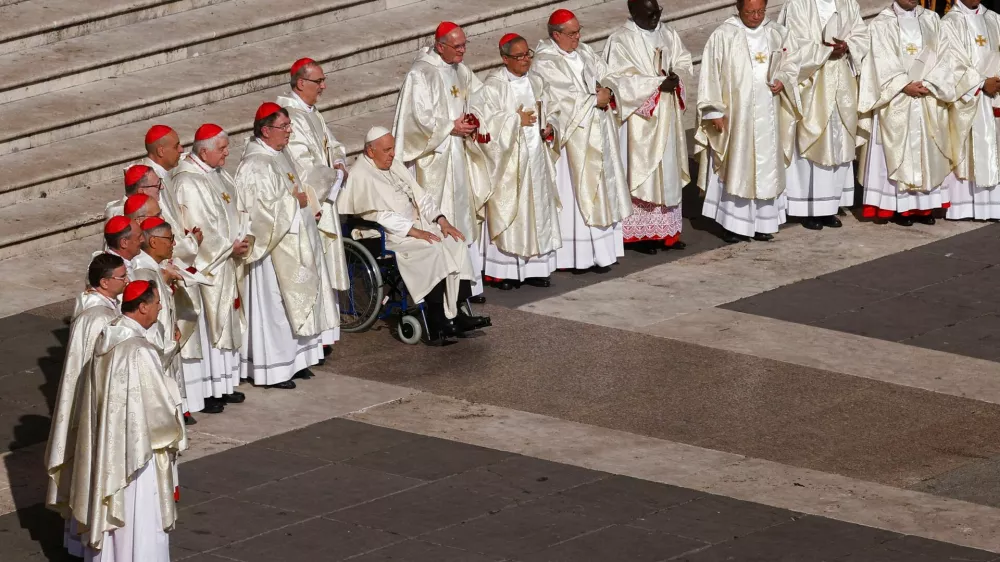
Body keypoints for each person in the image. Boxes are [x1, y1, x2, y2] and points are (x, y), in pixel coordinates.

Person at [70, 280, 185, 562]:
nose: (160, 307)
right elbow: (158, 409)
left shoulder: (109, 336)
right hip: (139, 450)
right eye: (157, 302)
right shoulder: (139, 351)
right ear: (142, 307)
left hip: (111, 444)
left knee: (116, 509)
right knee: (140, 512)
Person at [340, 127, 490, 337]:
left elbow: (422, 197)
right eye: (387, 150)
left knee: (455, 242)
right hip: (389, 235)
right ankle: (437, 316)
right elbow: (377, 216)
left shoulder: (392, 164)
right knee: (433, 249)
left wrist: (441, 220)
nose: (393, 154)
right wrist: (414, 232)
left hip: (417, 226)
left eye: (392, 148)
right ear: (370, 151)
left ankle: (458, 311)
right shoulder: (360, 175)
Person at [234, 102, 337, 388]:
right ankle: (275, 369)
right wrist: (296, 203)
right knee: (276, 308)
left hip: (296, 240)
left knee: (297, 304)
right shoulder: (254, 165)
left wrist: (308, 204)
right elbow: (257, 213)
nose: (289, 131)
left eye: (289, 125)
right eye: (284, 127)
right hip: (271, 251)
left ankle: (299, 360)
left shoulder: (280, 153)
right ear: (266, 131)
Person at [531, 9, 633, 273]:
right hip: (574, 140)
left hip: (599, 130)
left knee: (602, 187)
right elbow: (560, 99)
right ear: (556, 35)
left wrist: (608, 91)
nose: (578, 37)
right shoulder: (545, 61)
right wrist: (593, 100)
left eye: (579, 31)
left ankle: (602, 252)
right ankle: (576, 256)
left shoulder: (586, 52)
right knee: (575, 193)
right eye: (572, 33)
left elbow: (609, 75)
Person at [393, 22, 489, 300]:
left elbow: (481, 97)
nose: (463, 51)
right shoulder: (420, 74)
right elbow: (414, 122)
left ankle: (466, 283)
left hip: (458, 156)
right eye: (457, 46)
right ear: (439, 46)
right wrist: (450, 127)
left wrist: (475, 120)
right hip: (432, 162)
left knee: (461, 216)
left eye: (464, 45)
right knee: (441, 215)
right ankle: (440, 286)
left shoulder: (460, 69)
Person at [696, 0, 800, 242]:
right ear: (738, 9)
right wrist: (713, 111)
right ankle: (733, 224)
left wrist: (783, 79)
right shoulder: (724, 34)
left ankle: (763, 222)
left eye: (761, 11)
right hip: (736, 116)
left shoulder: (776, 32)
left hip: (769, 115)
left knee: (765, 167)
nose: (756, 16)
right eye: (750, 12)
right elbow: (710, 73)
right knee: (737, 167)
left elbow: (792, 62)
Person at [45, 253, 127, 558]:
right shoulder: (100, 319)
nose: (126, 280)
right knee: (93, 472)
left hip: (86, 404)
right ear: (104, 282)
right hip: (95, 409)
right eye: (121, 276)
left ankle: (77, 539)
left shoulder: (92, 307)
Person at [468, 33, 561, 290]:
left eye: (527, 54)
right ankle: (504, 271)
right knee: (511, 211)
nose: (525, 61)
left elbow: (554, 110)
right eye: (519, 56)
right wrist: (513, 120)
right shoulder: (493, 85)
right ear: (504, 58)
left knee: (537, 209)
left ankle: (536, 267)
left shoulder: (538, 81)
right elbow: (483, 121)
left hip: (537, 157)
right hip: (509, 162)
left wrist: (550, 127)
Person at [604, 0, 692, 254]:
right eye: (650, 13)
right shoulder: (620, 40)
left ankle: (667, 232)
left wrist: (677, 78)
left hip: (668, 114)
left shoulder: (668, 33)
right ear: (633, 13)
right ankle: (641, 236)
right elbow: (617, 80)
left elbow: (684, 60)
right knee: (641, 172)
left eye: (658, 11)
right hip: (640, 122)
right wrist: (655, 86)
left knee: (669, 170)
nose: (656, 17)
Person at [174, 124, 250, 412]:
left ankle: (225, 384)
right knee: (210, 326)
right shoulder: (188, 182)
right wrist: (229, 247)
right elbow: (200, 227)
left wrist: (243, 236)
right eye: (222, 149)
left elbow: (236, 207)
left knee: (226, 319)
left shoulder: (218, 173)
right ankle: (208, 390)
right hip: (210, 267)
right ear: (203, 151)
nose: (227, 153)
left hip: (228, 260)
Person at [857, 0, 954, 225]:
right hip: (896, 100)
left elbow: (945, 57)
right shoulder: (881, 23)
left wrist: (931, 82)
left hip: (928, 96)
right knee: (896, 152)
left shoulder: (932, 20)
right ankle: (899, 208)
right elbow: (879, 61)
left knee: (927, 152)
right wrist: (903, 84)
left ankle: (924, 208)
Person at [278, 58, 350, 347]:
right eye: (318, 81)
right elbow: (302, 165)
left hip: (325, 193)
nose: (324, 86)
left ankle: (325, 331)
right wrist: (332, 177)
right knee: (313, 264)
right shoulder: (289, 117)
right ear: (300, 83)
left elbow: (332, 145)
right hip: (312, 201)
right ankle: (314, 334)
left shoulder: (311, 112)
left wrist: (340, 163)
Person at [779, 0, 870, 229]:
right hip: (812, 84)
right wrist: (825, 50)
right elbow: (791, 44)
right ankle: (808, 208)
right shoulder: (797, 5)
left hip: (842, 83)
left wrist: (848, 45)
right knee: (813, 142)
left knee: (838, 142)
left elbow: (862, 35)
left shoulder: (848, 3)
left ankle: (830, 206)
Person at [132, 217, 205, 421]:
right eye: (170, 238)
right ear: (153, 242)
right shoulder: (143, 271)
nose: (174, 243)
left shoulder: (156, 267)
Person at [939, 0, 1000, 220]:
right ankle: (963, 207)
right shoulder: (949, 23)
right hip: (967, 98)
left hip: (995, 95)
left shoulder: (994, 19)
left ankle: (994, 206)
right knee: (965, 149)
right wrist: (982, 83)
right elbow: (951, 63)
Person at [142, 125, 202, 266]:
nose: (181, 150)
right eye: (176, 146)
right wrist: (191, 242)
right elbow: (161, 228)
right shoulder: (150, 183)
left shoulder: (162, 174)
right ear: (161, 151)